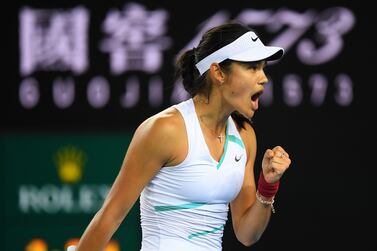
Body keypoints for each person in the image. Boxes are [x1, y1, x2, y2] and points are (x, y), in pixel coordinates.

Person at [72, 21, 291, 251]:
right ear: (218, 72)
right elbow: (110, 217)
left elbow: (247, 234)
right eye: (252, 67)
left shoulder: (245, 136)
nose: (264, 78)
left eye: (263, 67)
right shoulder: (165, 130)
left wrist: (267, 186)